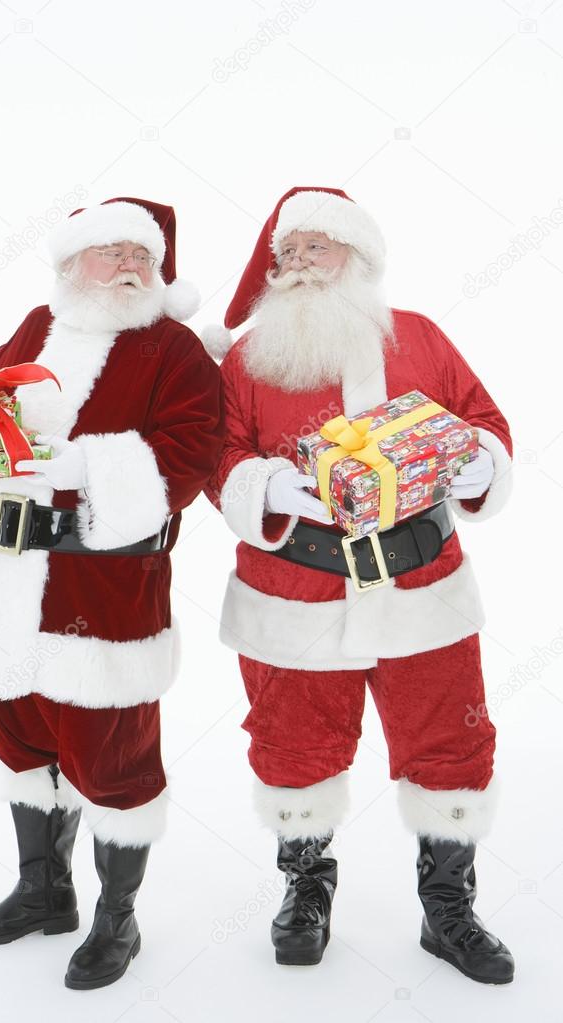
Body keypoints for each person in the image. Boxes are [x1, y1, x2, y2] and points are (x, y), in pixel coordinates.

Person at [0, 197, 224, 990]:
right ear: (67, 264)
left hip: (99, 598)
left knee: (112, 762)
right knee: (19, 741)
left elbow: (190, 456)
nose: (126, 265)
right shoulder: (30, 325)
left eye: (140, 255)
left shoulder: (175, 350)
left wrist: (81, 467)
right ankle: (45, 891)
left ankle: (119, 918)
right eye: (107, 251)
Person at [203, 186, 514, 984]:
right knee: (293, 750)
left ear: (359, 257)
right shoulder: (246, 357)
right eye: (290, 251)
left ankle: (449, 907)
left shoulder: (420, 337)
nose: (302, 263)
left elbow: (484, 418)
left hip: (422, 589)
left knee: (451, 745)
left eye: (319, 246)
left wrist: (482, 460)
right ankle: (306, 888)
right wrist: (265, 487)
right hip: (293, 594)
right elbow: (221, 454)